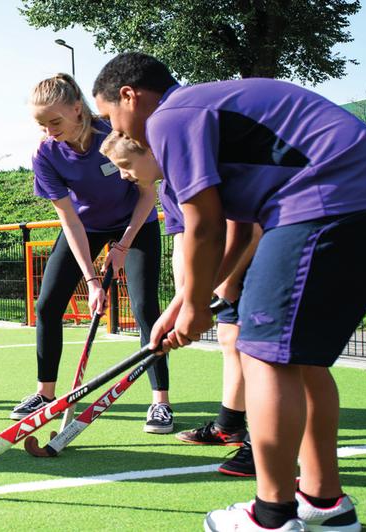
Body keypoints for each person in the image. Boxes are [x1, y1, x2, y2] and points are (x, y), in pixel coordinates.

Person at [93, 51, 366, 532]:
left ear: (129, 96)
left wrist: (195, 308)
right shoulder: (204, 114)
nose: (117, 129)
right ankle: (324, 504)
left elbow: (205, 227)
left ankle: (272, 515)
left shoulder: (171, 117)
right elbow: (234, 232)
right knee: (299, 359)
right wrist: (181, 306)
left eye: (110, 116)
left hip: (326, 197)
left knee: (264, 356)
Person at [100, 130, 260, 477]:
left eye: (126, 165)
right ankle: (229, 425)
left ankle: (263, 445)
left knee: (260, 352)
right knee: (230, 340)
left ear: (151, 152)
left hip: (258, 255)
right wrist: (180, 303)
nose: (125, 175)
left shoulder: (195, 172)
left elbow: (243, 229)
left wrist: (221, 286)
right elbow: (183, 245)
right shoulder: (167, 188)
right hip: (222, 270)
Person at [15, 73, 168, 433]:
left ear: (77, 108)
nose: (50, 131)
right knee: (47, 304)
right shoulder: (46, 154)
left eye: (55, 121)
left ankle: (160, 401)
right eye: (41, 124)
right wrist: (92, 280)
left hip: (136, 222)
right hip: (86, 226)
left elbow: (148, 193)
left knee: (146, 307)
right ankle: (45, 394)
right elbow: (68, 218)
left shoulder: (114, 131)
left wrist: (123, 246)